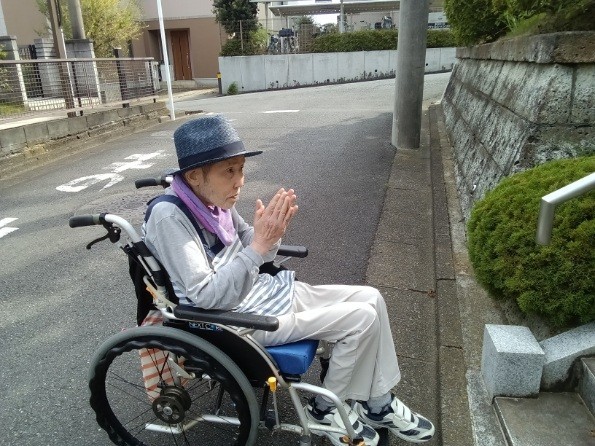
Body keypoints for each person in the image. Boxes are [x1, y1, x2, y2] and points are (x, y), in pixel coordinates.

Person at [143, 115, 435, 445]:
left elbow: (256, 247)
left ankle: (378, 404)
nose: (240, 181)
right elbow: (206, 295)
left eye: (241, 169)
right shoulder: (169, 216)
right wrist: (259, 245)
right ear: (195, 175)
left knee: (371, 298)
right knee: (362, 320)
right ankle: (323, 410)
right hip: (234, 321)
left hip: (258, 295)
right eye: (229, 171)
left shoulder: (212, 203)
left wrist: (272, 232)